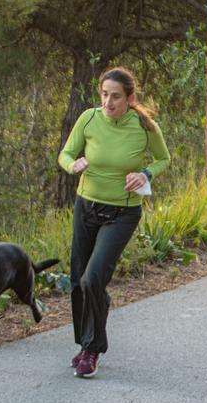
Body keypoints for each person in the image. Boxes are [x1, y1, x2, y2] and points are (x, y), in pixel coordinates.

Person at [58, 67, 170, 378]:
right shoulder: (89, 119)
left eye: (116, 96)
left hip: (122, 212)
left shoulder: (144, 126)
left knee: (94, 278)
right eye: (104, 94)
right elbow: (65, 154)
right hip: (86, 206)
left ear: (130, 98)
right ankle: (84, 343)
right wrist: (73, 164)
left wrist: (145, 174)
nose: (108, 102)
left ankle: (94, 348)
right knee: (80, 280)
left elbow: (164, 159)